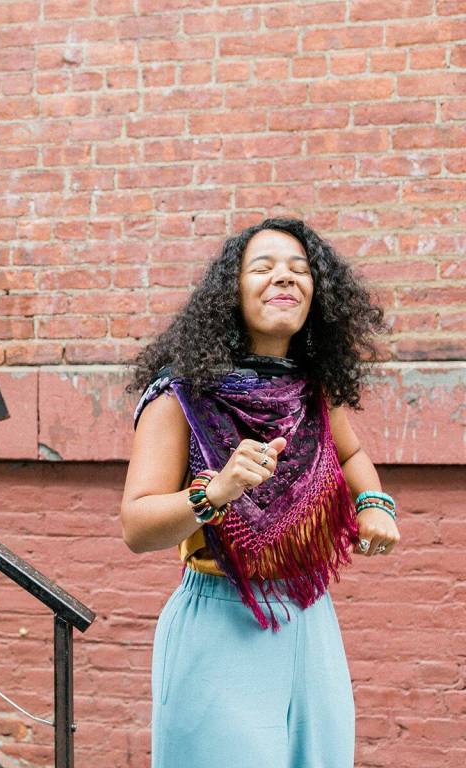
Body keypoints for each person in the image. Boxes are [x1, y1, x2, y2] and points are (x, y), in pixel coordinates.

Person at [120, 218, 401, 768]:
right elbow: (137, 525)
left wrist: (373, 504)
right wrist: (216, 492)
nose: (285, 278)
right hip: (221, 620)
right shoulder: (180, 395)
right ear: (231, 291)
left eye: (300, 270)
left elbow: (351, 456)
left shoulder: (312, 388)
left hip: (311, 618)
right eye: (263, 268)